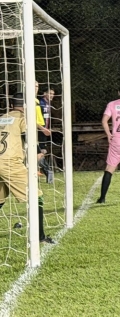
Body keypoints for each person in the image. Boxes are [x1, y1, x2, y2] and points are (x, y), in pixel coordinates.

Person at [0, 95, 52, 243]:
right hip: (10, 163)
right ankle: (40, 237)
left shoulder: (2, 117)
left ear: (11, 105)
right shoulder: (23, 119)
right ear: (27, 106)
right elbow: (27, 136)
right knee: (37, 195)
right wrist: (38, 153)